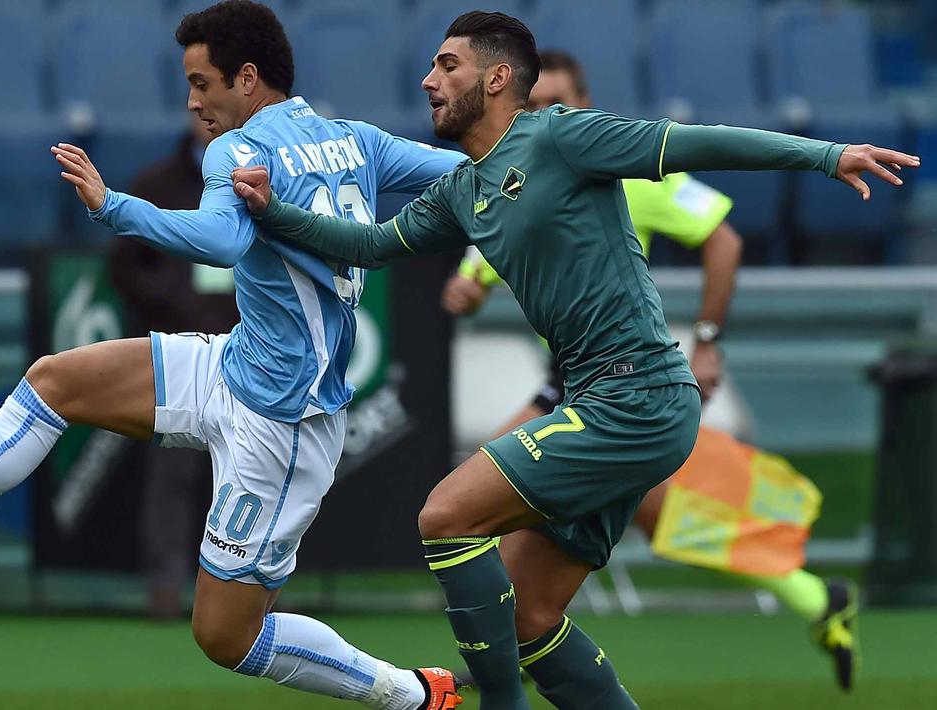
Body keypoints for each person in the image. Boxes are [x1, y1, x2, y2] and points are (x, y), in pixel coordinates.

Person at [230, 11, 917, 709]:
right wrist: (272, 212)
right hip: (599, 400)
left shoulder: (561, 136)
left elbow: (697, 143)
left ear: (497, 78)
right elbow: (370, 246)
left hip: (638, 395)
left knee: (445, 516)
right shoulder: (463, 190)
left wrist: (826, 156)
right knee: (528, 617)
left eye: (447, 65)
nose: (428, 80)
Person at [0, 2, 466, 708]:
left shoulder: (239, 149)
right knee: (54, 381)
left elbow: (222, 241)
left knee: (227, 635)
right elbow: (463, 170)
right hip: (236, 365)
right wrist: (530, 164)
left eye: (201, 83)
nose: (192, 102)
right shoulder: (354, 140)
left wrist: (112, 205)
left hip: (284, 422)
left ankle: (412, 695)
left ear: (246, 78)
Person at [443, 48, 859, 694]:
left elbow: (723, 237)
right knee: (657, 517)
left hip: (621, 378)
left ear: (584, 104)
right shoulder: (513, 178)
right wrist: (467, 288)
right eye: (534, 104)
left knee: (470, 504)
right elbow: (480, 272)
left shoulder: (616, 167)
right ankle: (814, 596)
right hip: (576, 378)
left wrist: (707, 341)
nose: (543, 115)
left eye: (558, 103)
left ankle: (500, 657)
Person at [110, 113, 239, 619]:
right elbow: (124, 266)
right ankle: (165, 585)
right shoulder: (157, 184)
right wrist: (169, 300)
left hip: (250, 351)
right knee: (172, 475)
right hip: (181, 353)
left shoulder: (260, 180)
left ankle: (258, 586)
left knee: (253, 474)